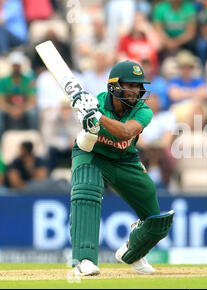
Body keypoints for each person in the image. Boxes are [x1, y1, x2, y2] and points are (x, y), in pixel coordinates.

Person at [68, 60, 174, 276]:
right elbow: (86, 141)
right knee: (86, 190)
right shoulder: (97, 102)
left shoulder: (144, 111)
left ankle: (132, 253)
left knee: (156, 222)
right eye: (130, 85)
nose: (136, 90)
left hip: (125, 160)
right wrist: (88, 120)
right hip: (92, 155)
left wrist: (98, 117)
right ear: (114, 86)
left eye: (138, 86)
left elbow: (126, 132)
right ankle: (84, 259)